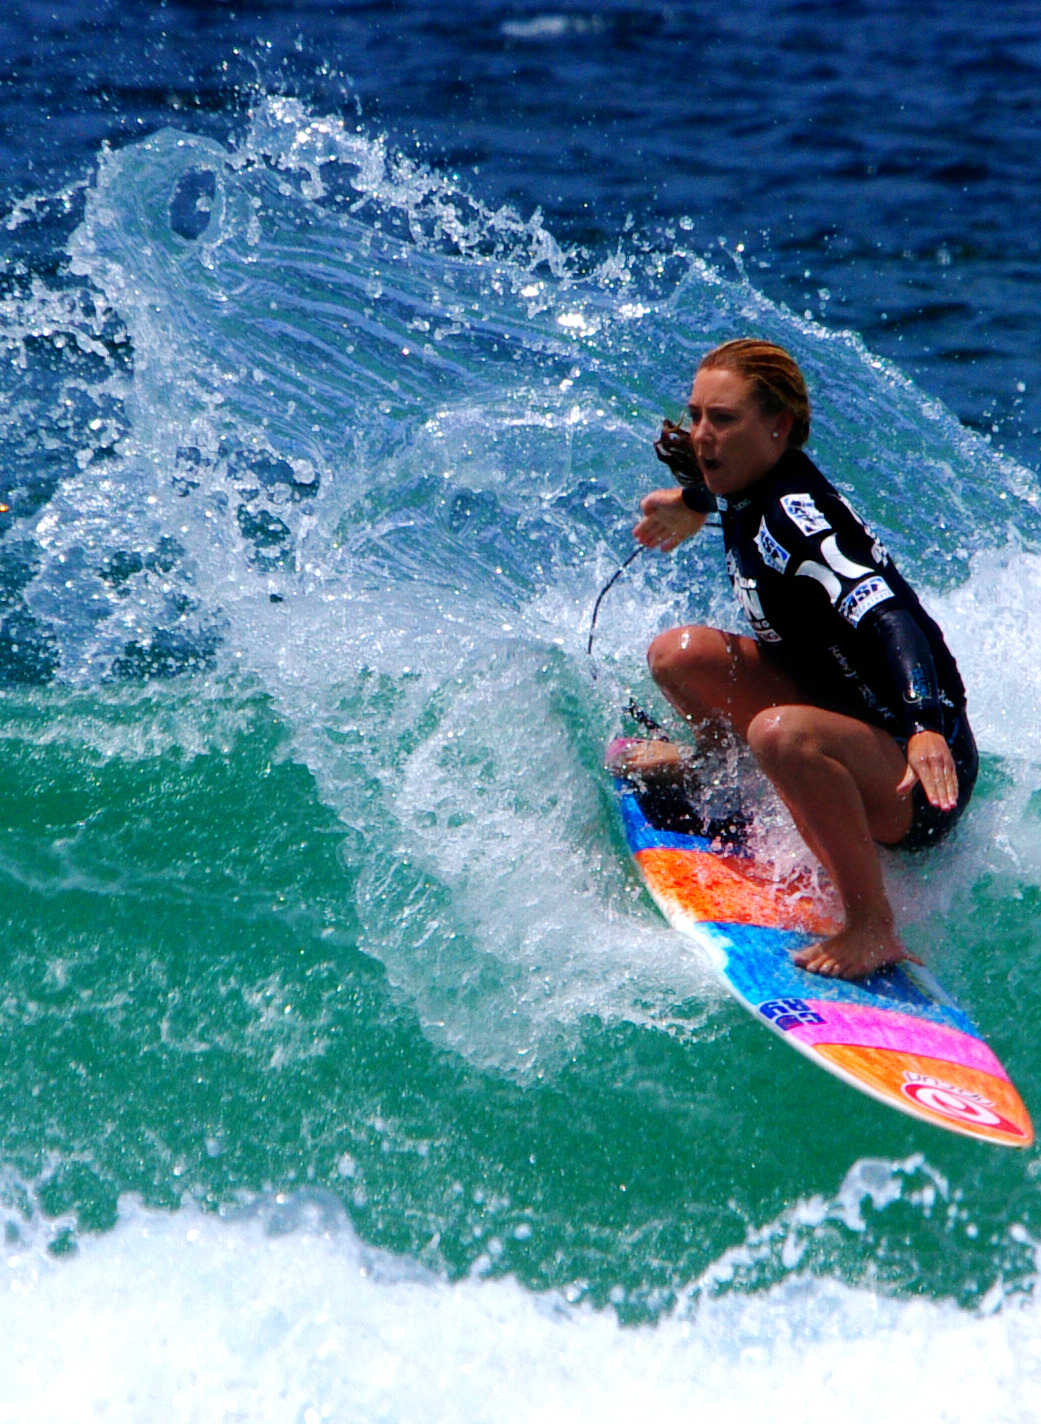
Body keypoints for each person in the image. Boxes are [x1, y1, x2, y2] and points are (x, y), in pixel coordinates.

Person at [622, 338, 976, 980]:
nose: (702, 435)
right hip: (830, 706)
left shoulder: (799, 522)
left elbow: (891, 615)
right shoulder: (742, 483)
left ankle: (871, 925)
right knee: (679, 656)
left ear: (779, 427)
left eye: (723, 419)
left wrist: (925, 724)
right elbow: (726, 495)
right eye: (696, 414)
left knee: (776, 733)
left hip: (911, 770)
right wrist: (690, 506)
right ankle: (715, 773)